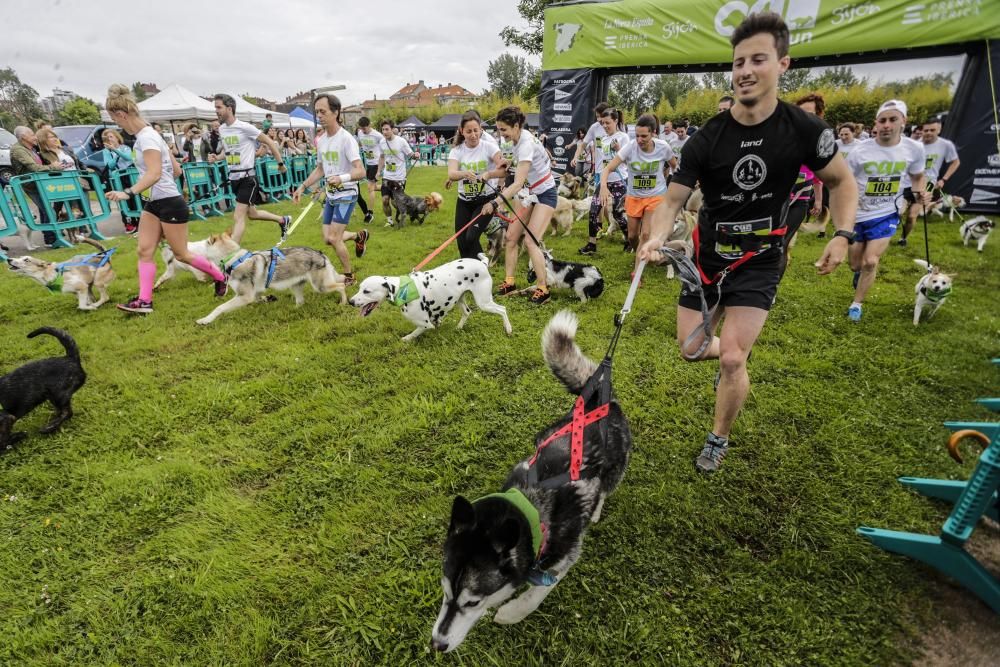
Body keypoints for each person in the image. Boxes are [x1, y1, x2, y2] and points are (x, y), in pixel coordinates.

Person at [638, 11, 857, 474]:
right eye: (738, 62)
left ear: (783, 64)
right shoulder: (708, 137)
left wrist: (841, 234)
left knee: (734, 358)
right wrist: (656, 236)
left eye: (758, 59)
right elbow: (672, 200)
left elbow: (842, 182)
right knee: (693, 349)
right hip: (706, 257)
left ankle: (718, 436)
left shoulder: (803, 129)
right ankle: (730, 349)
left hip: (760, 259)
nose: (745, 71)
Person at [103, 84, 229, 314]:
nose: (117, 125)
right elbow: (177, 169)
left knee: (181, 253)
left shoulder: (147, 138)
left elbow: (154, 173)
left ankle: (221, 276)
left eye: (115, 120)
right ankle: (144, 301)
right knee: (144, 250)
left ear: (121, 114)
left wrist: (128, 192)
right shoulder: (150, 136)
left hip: (169, 201)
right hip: (155, 202)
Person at [844, 99, 927, 322]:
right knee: (855, 264)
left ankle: (856, 303)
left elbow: (918, 176)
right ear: (876, 123)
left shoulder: (914, 148)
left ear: (903, 121)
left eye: (893, 119)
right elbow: (843, 182)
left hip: (887, 212)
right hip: (858, 212)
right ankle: (859, 274)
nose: (887, 125)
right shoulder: (860, 151)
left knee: (871, 260)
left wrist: (920, 193)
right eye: (882, 120)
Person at [292, 93, 369, 286]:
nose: (319, 115)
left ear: (335, 112)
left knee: (334, 238)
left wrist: (341, 178)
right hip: (332, 195)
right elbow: (320, 169)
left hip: (347, 194)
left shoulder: (346, 139)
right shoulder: (322, 140)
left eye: (323, 111)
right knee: (327, 238)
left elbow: (360, 171)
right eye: (317, 111)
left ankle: (349, 276)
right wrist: (302, 187)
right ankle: (358, 236)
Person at [489, 106, 557, 304]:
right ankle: (510, 282)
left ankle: (543, 288)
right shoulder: (519, 139)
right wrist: (509, 163)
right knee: (510, 237)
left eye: (504, 130)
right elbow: (522, 168)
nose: (501, 134)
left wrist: (496, 202)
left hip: (545, 194)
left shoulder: (526, 143)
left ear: (516, 126)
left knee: (530, 241)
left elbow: (517, 182)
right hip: (529, 195)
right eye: (499, 130)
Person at [600, 113, 676, 275]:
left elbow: (674, 165)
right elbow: (608, 168)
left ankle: (637, 272)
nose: (639, 140)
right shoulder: (630, 148)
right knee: (632, 236)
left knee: (646, 234)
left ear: (654, 133)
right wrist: (603, 187)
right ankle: (640, 252)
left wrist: (672, 184)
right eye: (637, 136)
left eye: (644, 136)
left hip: (656, 196)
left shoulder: (663, 147)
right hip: (634, 197)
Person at [211, 94, 291, 243]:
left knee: (238, 216)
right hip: (234, 178)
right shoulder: (222, 129)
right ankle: (283, 220)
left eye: (219, 107)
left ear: (229, 108)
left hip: (248, 178)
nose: (216, 111)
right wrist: (217, 157)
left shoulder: (245, 127)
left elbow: (270, 142)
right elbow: (227, 151)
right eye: (215, 107)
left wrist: (280, 164)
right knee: (252, 214)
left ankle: (231, 253)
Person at [447, 111, 504, 258]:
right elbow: (452, 174)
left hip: (485, 201)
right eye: (469, 131)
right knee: (461, 242)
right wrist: (464, 173)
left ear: (481, 129)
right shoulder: (457, 151)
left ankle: (480, 270)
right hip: (464, 201)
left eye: (475, 130)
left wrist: (489, 174)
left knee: (471, 237)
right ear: (461, 131)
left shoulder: (489, 147)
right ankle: (468, 274)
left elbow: (504, 171)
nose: (473, 135)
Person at [898, 116, 959, 246]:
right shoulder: (915, 145)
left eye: (932, 130)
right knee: (899, 212)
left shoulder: (945, 145)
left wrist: (944, 179)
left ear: (939, 129)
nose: (928, 133)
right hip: (908, 183)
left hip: (927, 185)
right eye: (926, 130)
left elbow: (955, 162)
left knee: (911, 216)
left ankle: (903, 237)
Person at [579, 107, 630, 256]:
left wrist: (619, 148)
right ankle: (591, 244)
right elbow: (601, 160)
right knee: (594, 211)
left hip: (619, 181)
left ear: (616, 121)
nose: (605, 126)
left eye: (608, 123)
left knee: (617, 213)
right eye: (603, 124)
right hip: (603, 180)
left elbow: (628, 161)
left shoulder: (623, 137)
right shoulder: (603, 139)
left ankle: (629, 240)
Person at [11, 126, 64, 246]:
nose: (35, 137)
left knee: (45, 210)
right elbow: (34, 168)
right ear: (24, 137)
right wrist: (53, 167)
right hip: (31, 185)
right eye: (32, 135)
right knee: (49, 211)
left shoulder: (31, 148)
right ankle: (51, 239)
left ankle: (50, 238)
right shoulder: (18, 150)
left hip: (41, 183)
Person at [377, 119, 414, 226]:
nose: (384, 132)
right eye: (383, 129)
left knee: (396, 203)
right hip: (387, 176)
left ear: (392, 129)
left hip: (399, 177)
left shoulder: (401, 141)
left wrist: (415, 154)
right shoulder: (382, 142)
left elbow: (410, 154)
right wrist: (379, 171)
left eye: (387, 129)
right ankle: (389, 220)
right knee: (385, 200)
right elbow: (382, 157)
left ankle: (411, 211)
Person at [100, 129, 138, 232]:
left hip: (129, 177)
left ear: (117, 137)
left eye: (111, 137)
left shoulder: (125, 148)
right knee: (123, 200)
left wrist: (116, 150)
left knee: (134, 197)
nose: (110, 139)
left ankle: (139, 220)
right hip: (118, 178)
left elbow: (129, 158)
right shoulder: (106, 151)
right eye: (107, 138)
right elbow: (110, 165)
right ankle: (128, 222)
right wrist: (113, 152)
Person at [355, 116, 381, 224]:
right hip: (368, 163)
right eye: (361, 128)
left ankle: (370, 213)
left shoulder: (377, 135)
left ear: (369, 125)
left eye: (364, 128)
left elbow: (385, 146)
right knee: (374, 187)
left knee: (370, 188)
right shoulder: (360, 133)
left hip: (376, 163)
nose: (363, 131)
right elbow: (359, 144)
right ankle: (389, 188)